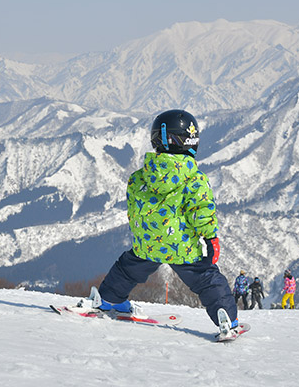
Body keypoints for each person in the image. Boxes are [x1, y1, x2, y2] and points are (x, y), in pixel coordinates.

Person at [78, 109, 243, 340]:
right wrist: (211, 238)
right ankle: (228, 319)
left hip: (148, 243)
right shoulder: (195, 179)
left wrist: (143, 235)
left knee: (127, 269)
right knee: (207, 279)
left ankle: (107, 300)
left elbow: (135, 209)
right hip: (182, 247)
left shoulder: (138, 177)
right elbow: (202, 212)